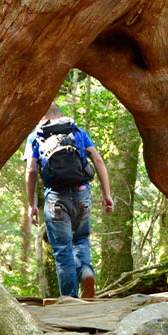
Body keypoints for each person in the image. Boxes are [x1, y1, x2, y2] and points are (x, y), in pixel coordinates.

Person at [25, 103, 114, 298]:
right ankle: (85, 272)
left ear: (41, 117)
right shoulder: (77, 132)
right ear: (60, 114)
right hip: (82, 193)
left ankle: (69, 300)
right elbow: (98, 160)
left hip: (55, 198)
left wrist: (32, 204)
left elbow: (31, 170)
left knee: (62, 250)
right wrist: (107, 194)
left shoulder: (36, 136)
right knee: (80, 238)